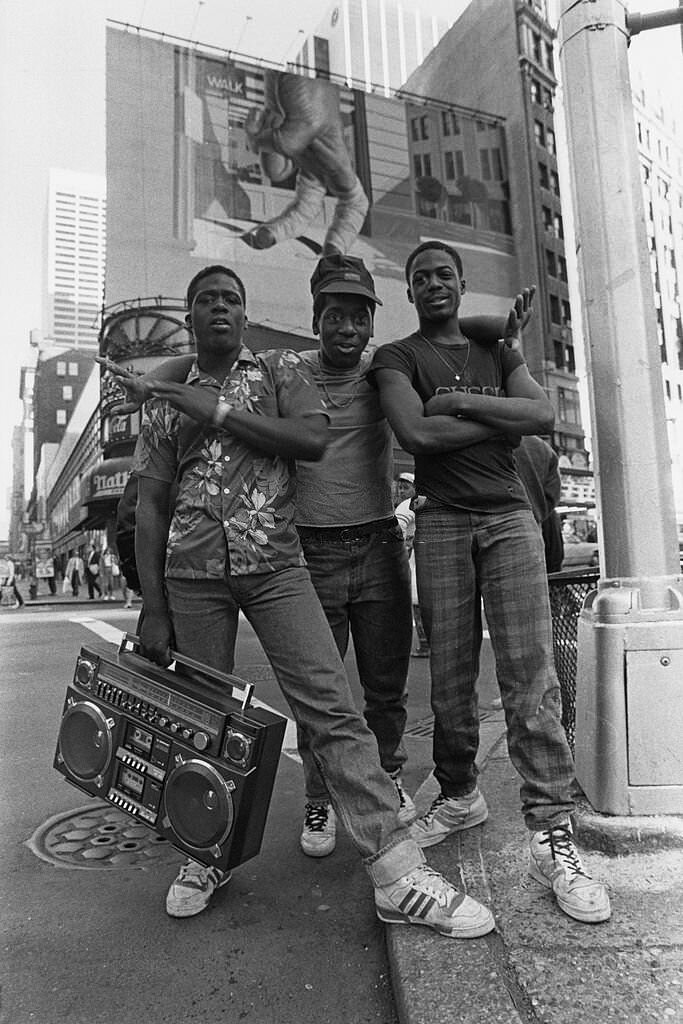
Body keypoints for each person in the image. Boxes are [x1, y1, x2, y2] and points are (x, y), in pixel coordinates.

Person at [104, 253, 513, 862]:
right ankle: (243, 836)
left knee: (366, 693)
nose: (346, 328)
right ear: (315, 317)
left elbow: (437, 341)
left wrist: (502, 331)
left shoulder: (347, 371)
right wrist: (156, 387)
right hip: (261, 561)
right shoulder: (230, 379)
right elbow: (160, 483)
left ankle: (389, 813)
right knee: (250, 711)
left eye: (358, 316)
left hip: (337, 552)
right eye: (334, 315)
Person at [371, 240, 611, 925]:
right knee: (448, 677)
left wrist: (453, 399)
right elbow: (414, 432)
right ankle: (458, 794)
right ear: (409, 291)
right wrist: (480, 412)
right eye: (420, 278)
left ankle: (552, 834)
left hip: (507, 519)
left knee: (529, 679)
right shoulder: (397, 357)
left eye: (443, 273)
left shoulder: (496, 349)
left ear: (460, 282)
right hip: (442, 520)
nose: (433, 284)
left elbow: (539, 418)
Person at [242, 73, 368, 255]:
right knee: (354, 202)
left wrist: (257, 138)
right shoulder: (330, 160)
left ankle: (276, 233)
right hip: (316, 145)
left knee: (307, 196)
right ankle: (334, 247)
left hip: (308, 144)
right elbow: (286, 145)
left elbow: (281, 160)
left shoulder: (319, 165)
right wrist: (257, 139)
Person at [513, 435, 564, 574]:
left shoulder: (470, 436)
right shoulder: (541, 447)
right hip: (535, 526)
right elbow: (553, 492)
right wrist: (538, 513)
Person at [393, 472, 430, 657]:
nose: (401, 490)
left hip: (415, 560)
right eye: (399, 486)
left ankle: (425, 645)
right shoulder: (413, 504)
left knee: (416, 601)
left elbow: (398, 530)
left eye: (405, 487)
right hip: (412, 559)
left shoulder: (409, 505)